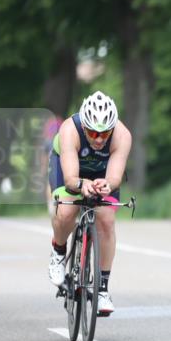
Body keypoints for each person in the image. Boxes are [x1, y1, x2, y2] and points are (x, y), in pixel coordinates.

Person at [47, 91, 132, 316]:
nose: (98, 139)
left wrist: (106, 185)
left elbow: (114, 178)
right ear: (85, 127)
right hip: (70, 170)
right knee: (65, 211)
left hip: (103, 173)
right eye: (93, 132)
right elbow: (70, 179)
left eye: (104, 134)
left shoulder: (122, 136)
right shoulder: (69, 130)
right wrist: (82, 184)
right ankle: (58, 251)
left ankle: (102, 289)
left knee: (106, 220)